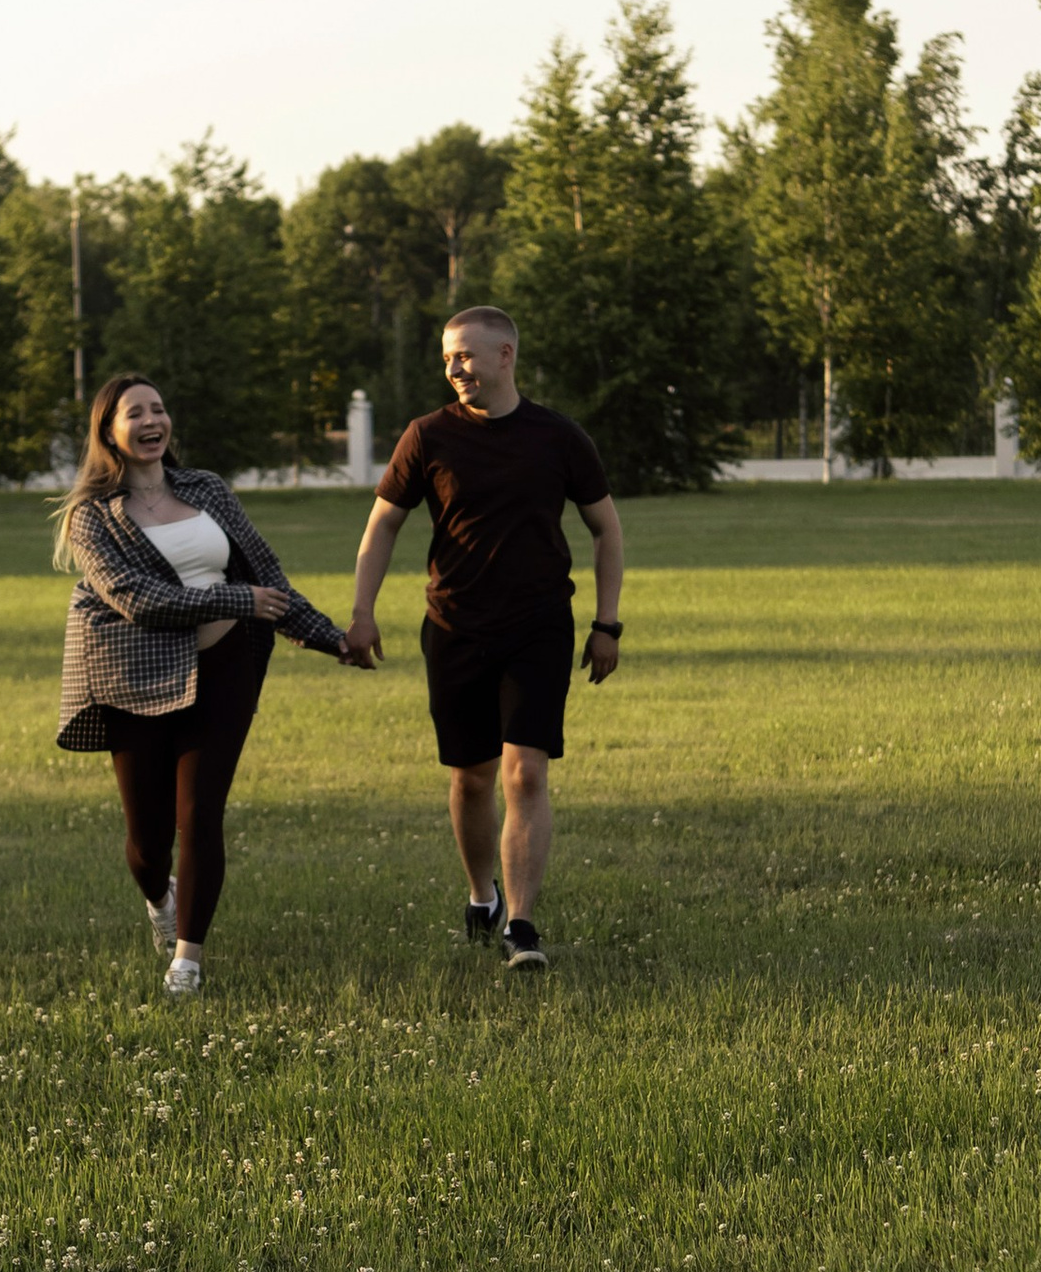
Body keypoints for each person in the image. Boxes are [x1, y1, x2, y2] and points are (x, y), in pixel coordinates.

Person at [342, 305, 623, 970]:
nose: (454, 368)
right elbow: (383, 525)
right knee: (471, 779)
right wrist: (362, 611)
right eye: (446, 358)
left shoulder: (558, 437)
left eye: (464, 355)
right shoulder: (428, 436)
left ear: (505, 356)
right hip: (454, 627)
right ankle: (482, 895)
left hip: (539, 628)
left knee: (525, 773)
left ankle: (521, 927)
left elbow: (606, 529)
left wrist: (607, 623)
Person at [53, 371, 351, 995]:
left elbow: (266, 574)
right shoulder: (92, 517)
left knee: (201, 813)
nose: (151, 421)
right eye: (134, 413)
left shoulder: (207, 489)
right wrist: (236, 597)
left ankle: (186, 960)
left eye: (158, 409)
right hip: (137, 678)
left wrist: (331, 637)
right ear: (108, 431)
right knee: (147, 839)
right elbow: (137, 598)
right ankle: (159, 898)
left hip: (224, 669)